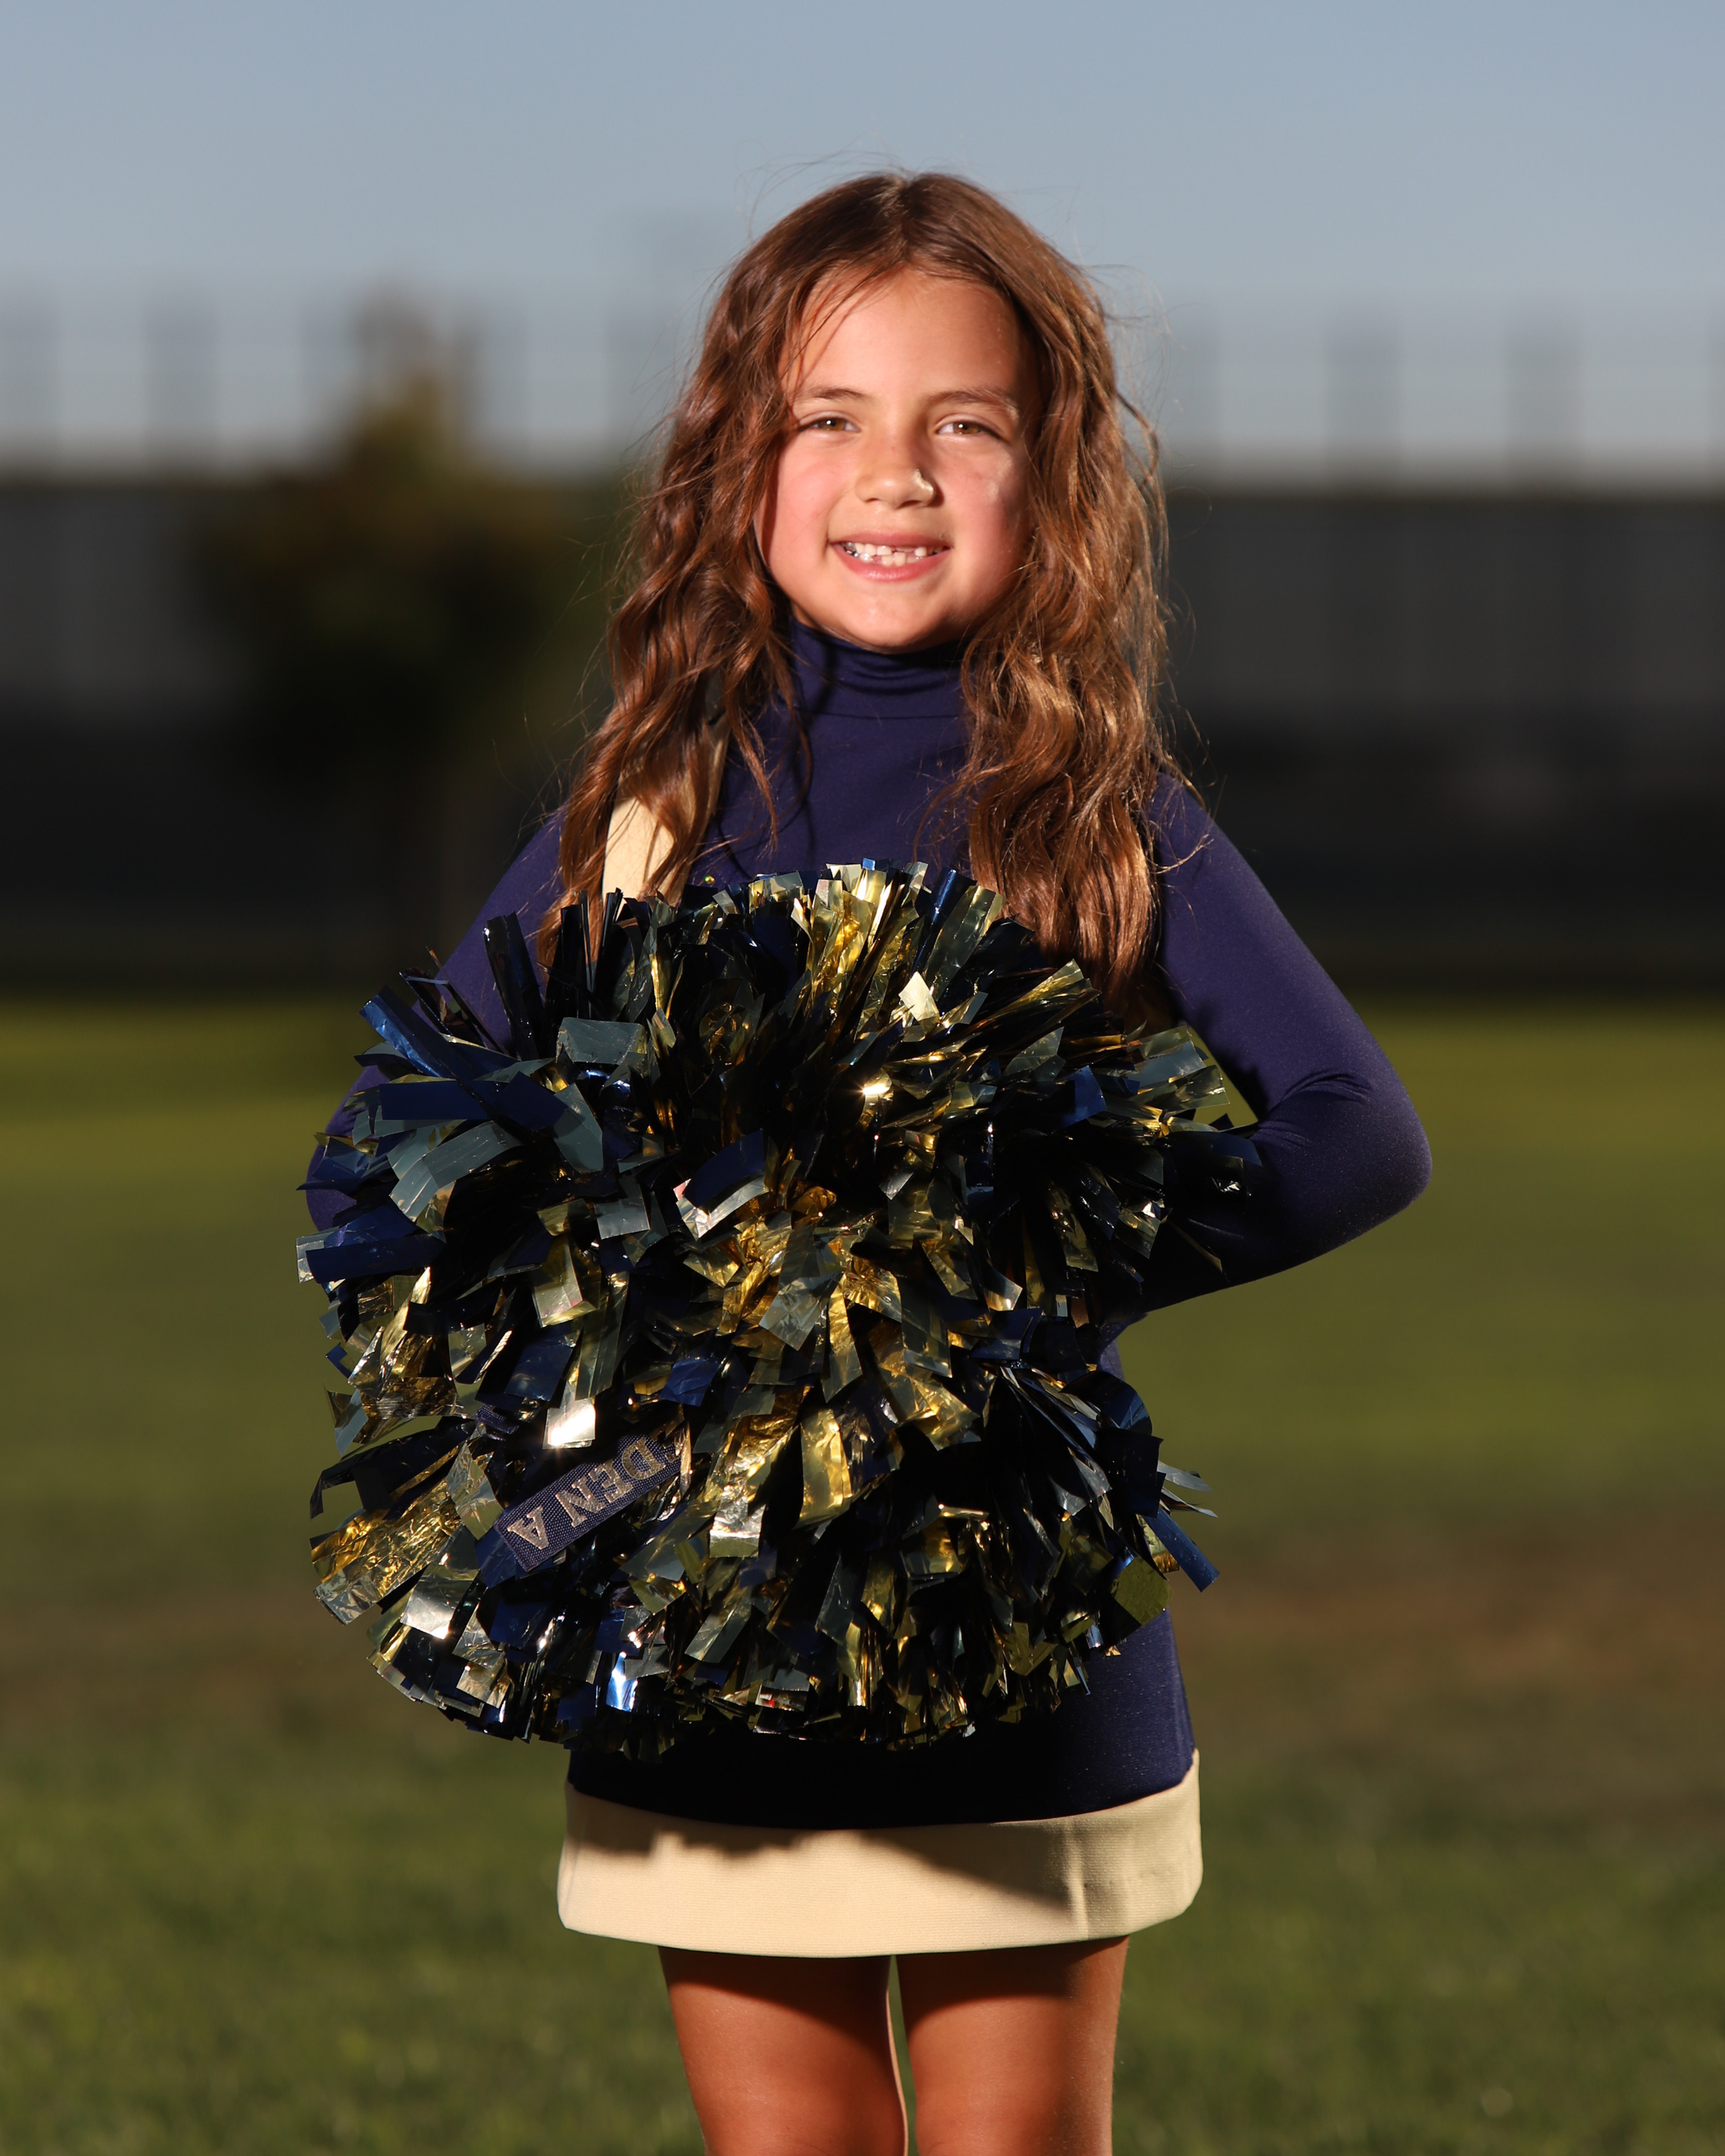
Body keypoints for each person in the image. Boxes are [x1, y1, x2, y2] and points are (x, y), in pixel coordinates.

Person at [310, 172, 1429, 2156]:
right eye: (827, 416)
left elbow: (1358, 1132)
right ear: (736, 464)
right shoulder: (650, 811)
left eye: (964, 423)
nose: (893, 474)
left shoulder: (1093, 810)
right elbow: (386, 1149)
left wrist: (1025, 1272)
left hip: (1012, 1608)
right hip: (703, 1619)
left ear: (1053, 477)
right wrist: (615, 1311)